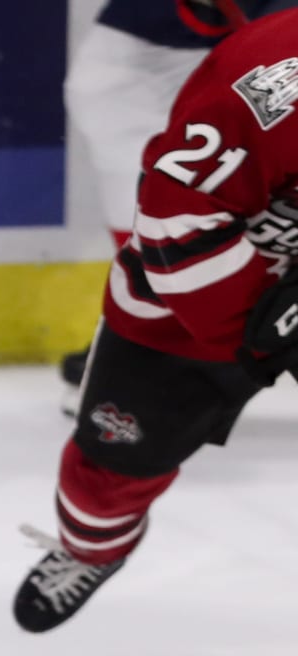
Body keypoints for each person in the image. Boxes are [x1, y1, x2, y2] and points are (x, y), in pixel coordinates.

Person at [15, 1, 298, 632]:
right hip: (189, 309)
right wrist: (256, 335)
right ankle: (92, 547)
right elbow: (178, 215)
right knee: (110, 472)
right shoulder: (270, 80)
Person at [55, 0, 292, 404]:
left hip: (229, 45)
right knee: (113, 99)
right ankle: (154, 337)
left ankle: (162, 341)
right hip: (160, 49)